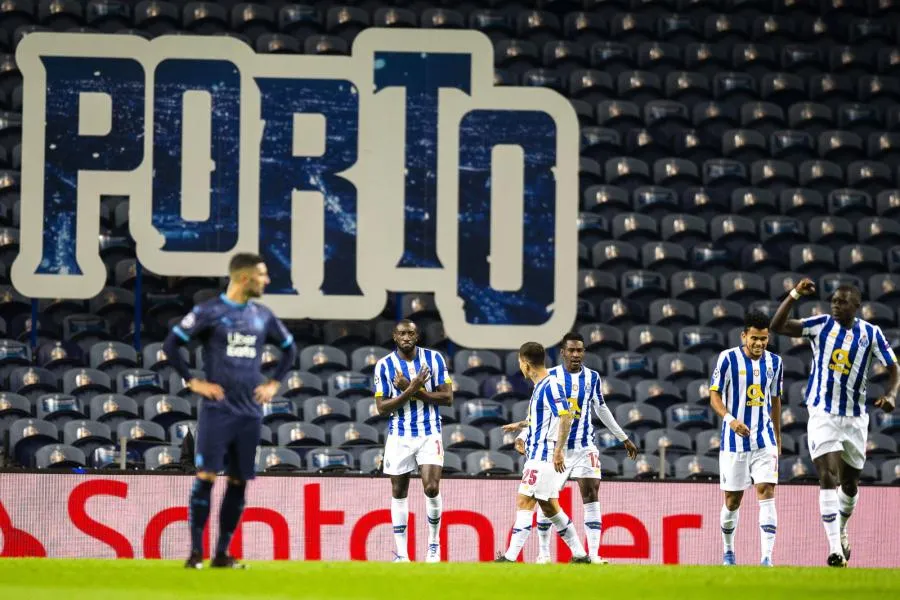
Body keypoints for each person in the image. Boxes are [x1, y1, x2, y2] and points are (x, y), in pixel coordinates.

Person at [163, 253, 297, 569]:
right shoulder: (210, 312)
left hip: (250, 413)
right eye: (262, 275)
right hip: (217, 410)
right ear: (244, 278)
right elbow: (171, 344)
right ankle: (196, 553)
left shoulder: (262, 315)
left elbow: (290, 349)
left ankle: (222, 553)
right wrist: (193, 381)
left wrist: (273, 383)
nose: (267, 280)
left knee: (238, 482)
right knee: (206, 477)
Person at [770, 280, 898, 567]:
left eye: (842, 302)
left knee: (850, 485)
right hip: (823, 413)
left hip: (855, 418)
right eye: (834, 302)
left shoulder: (871, 333)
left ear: (856, 305)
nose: (836, 306)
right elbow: (778, 326)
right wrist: (794, 294)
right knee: (827, 475)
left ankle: (841, 529)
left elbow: (894, 367)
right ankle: (834, 550)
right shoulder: (821, 325)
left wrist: (891, 394)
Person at [503, 332, 637, 564]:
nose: (576, 354)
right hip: (558, 449)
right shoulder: (550, 377)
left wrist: (622, 437)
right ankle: (546, 553)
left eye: (580, 350)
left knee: (587, 495)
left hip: (581, 447)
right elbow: (540, 416)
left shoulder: (591, 378)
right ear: (563, 352)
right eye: (571, 350)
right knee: (547, 501)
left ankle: (591, 555)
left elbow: (600, 409)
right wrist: (523, 433)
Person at [495, 342, 591, 564]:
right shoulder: (541, 386)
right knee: (550, 507)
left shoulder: (551, 385)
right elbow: (542, 418)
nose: (520, 367)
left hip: (543, 456)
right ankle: (579, 554)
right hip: (538, 455)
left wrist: (558, 451)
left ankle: (509, 558)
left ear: (526, 364)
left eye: (520, 363)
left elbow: (565, 416)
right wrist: (520, 426)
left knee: (525, 501)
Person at [373, 320, 453, 563]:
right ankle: (402, 554)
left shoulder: (434, 359)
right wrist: (411, 390)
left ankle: (434, 545)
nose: (406, 337)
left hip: (430, 432)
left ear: (417, 336)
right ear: (394, 337)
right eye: (401, 333)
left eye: (410, 333)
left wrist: (412, 388)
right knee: (399, 492)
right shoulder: (384, 365)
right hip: (399, 434)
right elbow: (382, 408)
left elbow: (447, 398)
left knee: (431, 488)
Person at [708, 311, 783, 567]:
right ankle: (729, 551)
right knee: (732, 501)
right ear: (744, 336)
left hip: (764, 440)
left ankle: (767, 558)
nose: (759, 343)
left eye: (763, 339)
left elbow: (775, 400)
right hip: (733, 442)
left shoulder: (775, 362)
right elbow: (714, 396)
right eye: (754, 338)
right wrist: (731, 420)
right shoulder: (728, 358)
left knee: (766, 490)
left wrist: (777, 437)